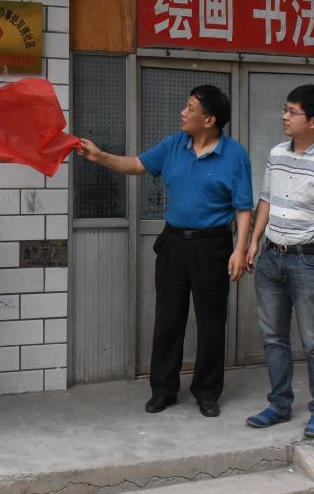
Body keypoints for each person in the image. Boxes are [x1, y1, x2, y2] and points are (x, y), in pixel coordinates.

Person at [78, 85, 252, 417]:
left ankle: (207, 392)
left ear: (210, 120)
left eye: (190, 108)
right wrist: (100, 156)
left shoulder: (235, 154)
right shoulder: (174, 144)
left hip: (213, 245)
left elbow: (243, 206)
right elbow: (136, 164)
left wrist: (240, 249)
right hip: (173, 243)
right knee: (168, 319)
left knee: (211, 322)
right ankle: (163, 389)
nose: (183, 113)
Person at [244, 84, 314, 439]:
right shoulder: (277, 154)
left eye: (292, 112)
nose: (285, 117)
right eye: (285, 109)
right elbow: (266, 200)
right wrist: (253, 241)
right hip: (271, 258)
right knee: (273, 337)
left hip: (309, 262)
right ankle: (279, 404)